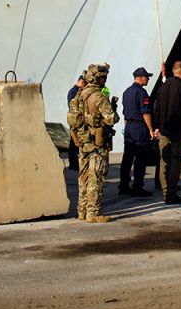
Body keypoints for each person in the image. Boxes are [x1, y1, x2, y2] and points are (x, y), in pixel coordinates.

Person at [67, 63, 117, 223]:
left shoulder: (79, 94)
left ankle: (81, 210)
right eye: (104, 77)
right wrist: (114, 114)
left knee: (83, 177)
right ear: (98, 78)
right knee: (96, 177)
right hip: (97, 143)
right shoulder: (98, 96)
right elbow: (110, 119)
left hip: (83, 142)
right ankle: (93, 213)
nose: (105, 80)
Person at [152, 60, 181, 205]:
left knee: (164, 161)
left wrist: (157, 126)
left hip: (164, 130)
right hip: (178, 132)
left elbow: (156, 109)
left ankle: (165, 191)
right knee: (176, 162)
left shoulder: (163, 87)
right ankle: (171, 193)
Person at [119, 67, 156, 197]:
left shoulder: (126, 92)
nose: (148, 79)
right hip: (139, 127)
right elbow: (145, 112)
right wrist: (151, 130)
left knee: (127, 158)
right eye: (146, 77)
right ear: (140, 78)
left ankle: (123, 185)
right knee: (140, 158)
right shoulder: (142, 92)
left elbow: (124, 113)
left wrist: (127, 128)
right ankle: (137, 187)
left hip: (129, 126)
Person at [65, 74, 86, 171]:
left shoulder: (73, 91)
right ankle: (74, 164)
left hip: (74, 120)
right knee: (75, 143)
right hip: (75, 121)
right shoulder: (75, 92)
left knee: (73, 143)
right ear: (81, 82)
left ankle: (73, 164)